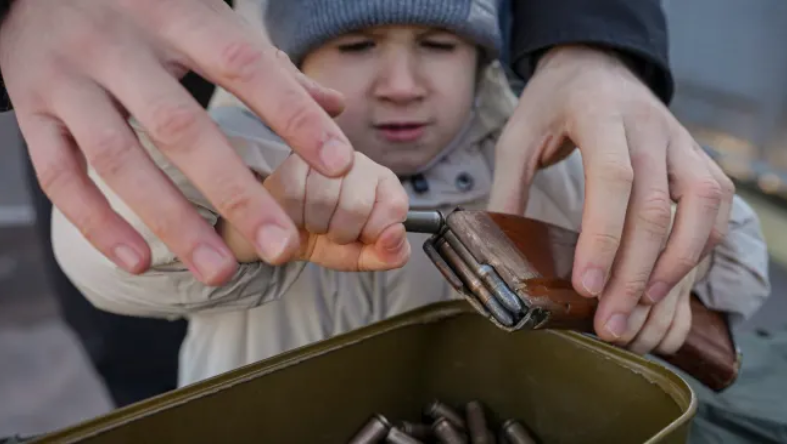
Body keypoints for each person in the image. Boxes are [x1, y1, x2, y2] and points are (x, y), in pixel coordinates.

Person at [50, 0, 770, 391]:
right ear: (289, 67)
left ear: (482, 57)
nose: (401, 82)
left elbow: (734, 259)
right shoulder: (229, 154)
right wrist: (242, 228)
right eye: (357, 46)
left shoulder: (553, 154)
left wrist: (671, 252)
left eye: (437, 43)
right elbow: (105, 252)